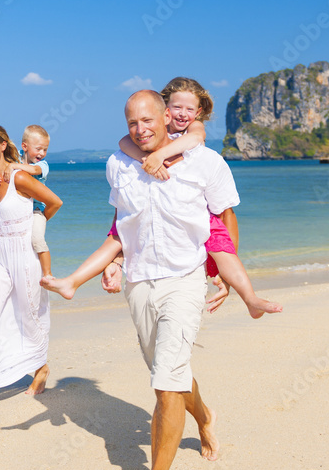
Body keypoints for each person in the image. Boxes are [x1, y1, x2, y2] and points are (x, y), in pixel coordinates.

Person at [107, 90, 238, 470]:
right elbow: (129, 216)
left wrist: (225, 274)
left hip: (186, 278)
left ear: (169, 117)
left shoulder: (205, 160)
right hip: (141, 280)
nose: (140, 129)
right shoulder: (121, 161)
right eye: (132, 123)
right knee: (170, 370)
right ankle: (204, 418)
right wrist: (116, 258)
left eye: (149, 120)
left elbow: (224, 216)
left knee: (165, 382)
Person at [117, 77, 281, 319]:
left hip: (200, 217)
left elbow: (195, 140)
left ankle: (250, 298)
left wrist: (159, 155)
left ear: (199, 112)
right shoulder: (146, 135)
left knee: (222, 247)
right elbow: (123, 142)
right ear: (163, 109)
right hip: (156, 250)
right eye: (176, 107)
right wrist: (147, 160)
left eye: (190, 109)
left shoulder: (194, 132)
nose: (183, 114)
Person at [0, 123, 63, 409]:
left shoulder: (19, 177)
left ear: (4, 145)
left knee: (29, 314)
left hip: (22, 252)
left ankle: (40, 368)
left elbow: (54, 202)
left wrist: (36, 224)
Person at [0, 124, 55, 278]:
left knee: (37, 240)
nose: (42, 153)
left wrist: (13, 167)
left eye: (45, 149)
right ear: (25, 146)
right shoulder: (15, 158)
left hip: (36, 210)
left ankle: (48, 274)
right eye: (38, 149)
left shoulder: (42, 165)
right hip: (16, 210)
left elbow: (33, 170)